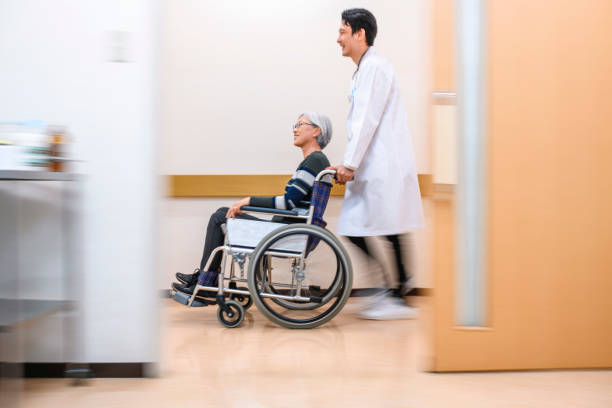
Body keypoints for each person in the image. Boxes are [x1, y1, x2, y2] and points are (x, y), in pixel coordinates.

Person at [172, 112, 333, 302]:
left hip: (283, 233)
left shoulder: (314, 161)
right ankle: (205, 280)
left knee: (220, 217)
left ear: (316, 130)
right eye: (294, 125)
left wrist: (248, 200)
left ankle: (206, 283)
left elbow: (287, 203)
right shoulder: (316, 161)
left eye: (300, 124)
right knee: (222, 214)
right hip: (287, 231)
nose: (295, 129)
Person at [330, 8, 424, 320]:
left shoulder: (375, 68)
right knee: (380, 227)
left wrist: (349, 164)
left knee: (380, 227)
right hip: (374, 164)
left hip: (382, 164)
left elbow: (367, 120)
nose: (338, 38)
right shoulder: (364, 70)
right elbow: (361, 123)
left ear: (360, 34)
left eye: (344, 31)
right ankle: (395, 289)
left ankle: (395, 292)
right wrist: (349, 163)